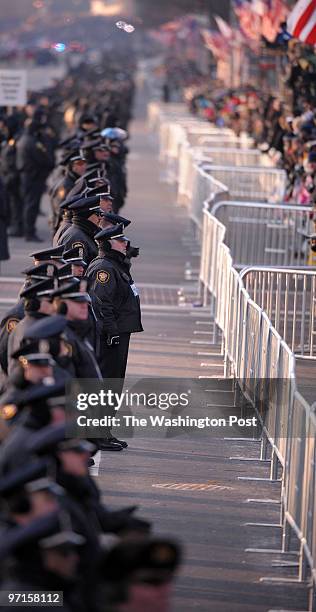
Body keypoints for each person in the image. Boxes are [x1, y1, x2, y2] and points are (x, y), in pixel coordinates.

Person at [86, 224, 143, 384]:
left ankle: (108, 408)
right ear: (108, 243)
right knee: (109, 378)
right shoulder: (104, 268)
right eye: (120, 240)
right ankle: (103, 410)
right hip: (110, 334)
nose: (125, 243)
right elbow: (102, 302)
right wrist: (112, 332)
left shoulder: (114, 264)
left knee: (116, 377)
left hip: (119, 330)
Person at [16, 111, 55, 242]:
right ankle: (29, 232)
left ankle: (27, 230)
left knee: (29, 204)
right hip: (33, 177)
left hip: (29, 177)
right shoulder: (31, 142)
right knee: (31, 205)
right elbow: (43, 159)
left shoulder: (24, 139)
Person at [56, 195, 101, 266]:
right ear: (86, 216)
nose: (100, 218)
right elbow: (77, 270)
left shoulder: (85, 232)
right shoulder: (77, 238)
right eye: (97, 214)